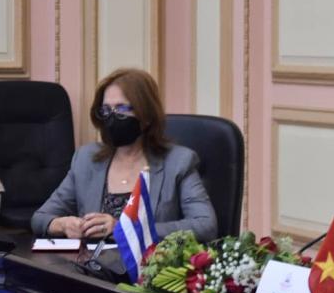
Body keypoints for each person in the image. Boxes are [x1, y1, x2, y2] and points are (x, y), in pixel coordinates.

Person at [31, 68, 218, 242]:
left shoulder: (178, 162)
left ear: (146, 116)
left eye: (121, 109)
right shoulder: (86, 159)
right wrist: (62, 225)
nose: (112, 117)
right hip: (92, 265)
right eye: (106, 110)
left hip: (148, 264)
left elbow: (205, 225)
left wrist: (126, 229)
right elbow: (40, 218)